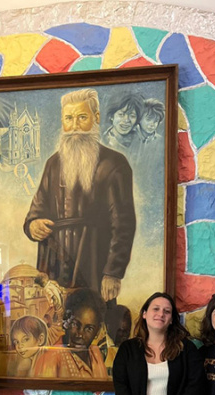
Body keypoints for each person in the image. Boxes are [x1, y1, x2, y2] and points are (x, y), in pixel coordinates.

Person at [24, 88, 136, 303]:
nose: (74, 125)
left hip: (94, 258)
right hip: (53, 263)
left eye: (81, 117)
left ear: (96, 118)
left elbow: (124, 224)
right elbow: (36, 210)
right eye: (68, 118)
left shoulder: (114, 163)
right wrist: (33, 225)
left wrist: (113, 272)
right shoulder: (53, 163)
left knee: (93, 321)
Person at [34, 288, 108, 379]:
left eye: (89, 328)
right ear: (66, 321)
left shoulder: (95, 353)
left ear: (98, 331)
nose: (80, 334)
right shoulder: (50, 359)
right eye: (75, 324)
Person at [102, 92, 145, 163]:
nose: (127, 120)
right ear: (112, 116)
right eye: (121, 114)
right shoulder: (101, 141)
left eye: (132, 116)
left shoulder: (141, 143)